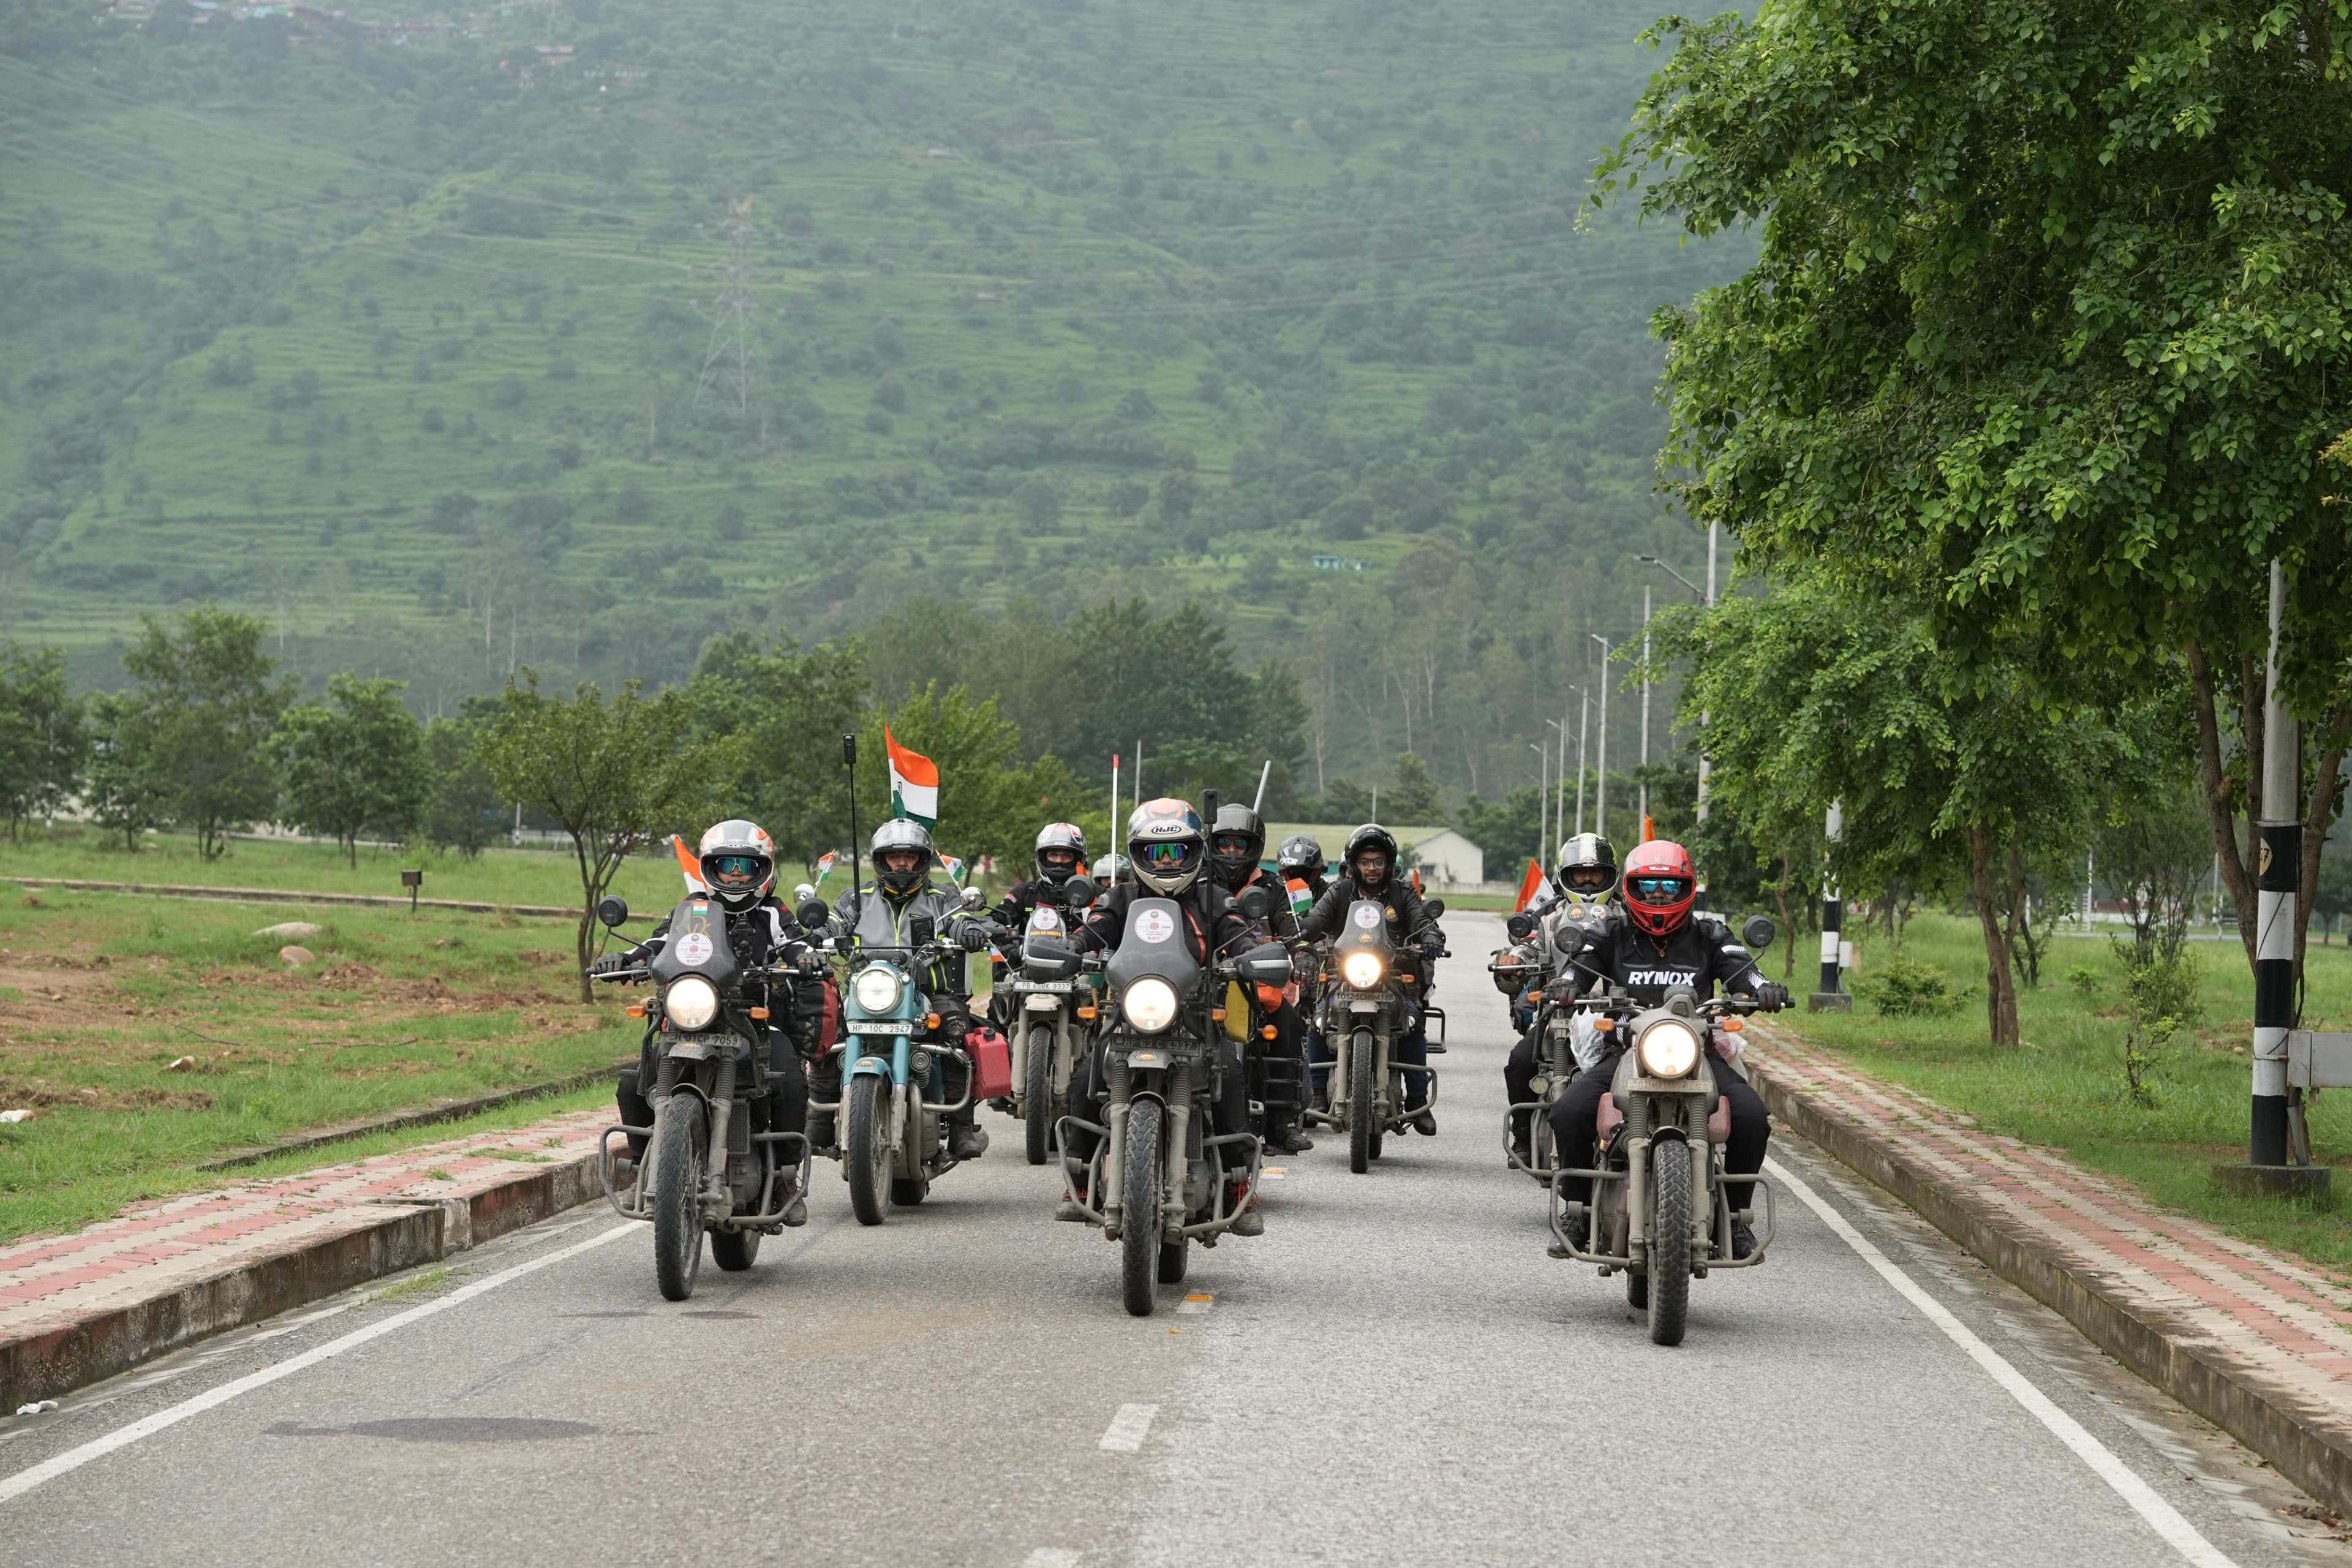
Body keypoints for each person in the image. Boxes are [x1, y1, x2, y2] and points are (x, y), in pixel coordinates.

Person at [1545, 839, 1790, 1259]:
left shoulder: (1710, 934)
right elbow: (1581, 965)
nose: (1658, 896)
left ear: (1688, 889)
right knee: (1568, 1113)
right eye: (1649, 887)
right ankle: (1579, 1211)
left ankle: (1736, 1217)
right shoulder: (1608, 932)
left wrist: (1762, 988)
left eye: (1670, 887)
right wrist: (1569, 984)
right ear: (1631, 889)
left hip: (1699, 1058)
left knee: (1753, 1118)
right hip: (1625, 1053)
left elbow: (1741, 968)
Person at [1059, 798, 1266, 1235]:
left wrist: (1254, 953)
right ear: (1137, 854)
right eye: (1157, 853)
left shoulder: (1212, 897)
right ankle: (1079, 1181)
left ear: (1196, 853)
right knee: (1085, 1078)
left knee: (1229, 1073)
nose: (1168, 863)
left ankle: (1238, 1185)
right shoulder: (1121, 896)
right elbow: (1090, 931)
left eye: (1178, 852)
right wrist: (1070, 951)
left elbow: (1240, 931)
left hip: (1195, 1015)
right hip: (1131, 1013)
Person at [601, 819, 821, 1226]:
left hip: (755, 1021)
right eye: (727, 864)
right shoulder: (691, 909)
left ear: (762, 870)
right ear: (710, 867)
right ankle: (639, 1168)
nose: (736, 873)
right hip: (691, 1018)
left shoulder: (772, 912)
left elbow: (798, 944)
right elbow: (658, 944)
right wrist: (625, 961)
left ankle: (786, 1177)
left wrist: (808, 958)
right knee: (632, 1082)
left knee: (790, 1080)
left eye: (744, 865)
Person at [810, 818, 994, 1163]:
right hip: (870, 990)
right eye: (894, 857)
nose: (902, 863)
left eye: (910, 855)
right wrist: (819, 933)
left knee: (956, 1029)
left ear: (923, 860)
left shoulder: (942, 898)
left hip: (929, 992)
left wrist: (970, 929)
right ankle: (819, 1120)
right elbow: (834, 922)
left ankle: (961, 1128)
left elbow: (960, 919)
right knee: (827, 1029)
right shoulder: (857, 897)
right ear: (881, 860)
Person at [1297, 823, 1446, 1135]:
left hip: (1393, 975)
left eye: (1378, 861)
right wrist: (1301, 934)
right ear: (1355, 864)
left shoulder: (1403, 892)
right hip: (1345, 973)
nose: (1372, 868)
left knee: (1412, 1023)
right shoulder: (1339, 892)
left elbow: (1421, 920)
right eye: (1365, 862)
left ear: (1388, 863)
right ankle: (1320, 1095)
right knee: (1321, 1021)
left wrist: (1431, 935)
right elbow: (1317, 920)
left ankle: (1417, 1100)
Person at [1501, 833, 1619, 1158]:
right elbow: (1528, 947)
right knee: (1521, 1061)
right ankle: (1523, 1138)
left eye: (1596, 873)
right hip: (1559, 1015)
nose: (1588, 881)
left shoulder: (1627, 919)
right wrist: (1514, 959)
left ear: (1610, 875)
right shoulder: (1548, 919)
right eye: (1580, 873)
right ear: (1565, 876)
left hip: (1616, 1017)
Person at [1208, 804, 1313, 1155]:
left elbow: (1293, 929)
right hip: (1209, 984)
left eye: (1241, 844)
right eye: (1225, 844)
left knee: (1289, 1025)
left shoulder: (1275, 886)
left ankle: (1282, 1124)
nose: (1233, 852)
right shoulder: (1200, 883)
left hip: (1260, 985)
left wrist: (1303, 954)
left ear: (1254, 847)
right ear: (1213, 844)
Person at [984, 823, 1090, 1037]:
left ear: (1078, 859)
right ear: (1043, 857)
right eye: (1053, 854)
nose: (1059, 861)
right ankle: (1000, 1060)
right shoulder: (1026, 892)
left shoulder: (1090, 896)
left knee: (1105, 1016)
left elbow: (1104, 926)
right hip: (1025, 971)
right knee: (994, 1019)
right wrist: (993, 934)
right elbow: (996, 918)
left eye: (1066, 855)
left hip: (1077, 974)